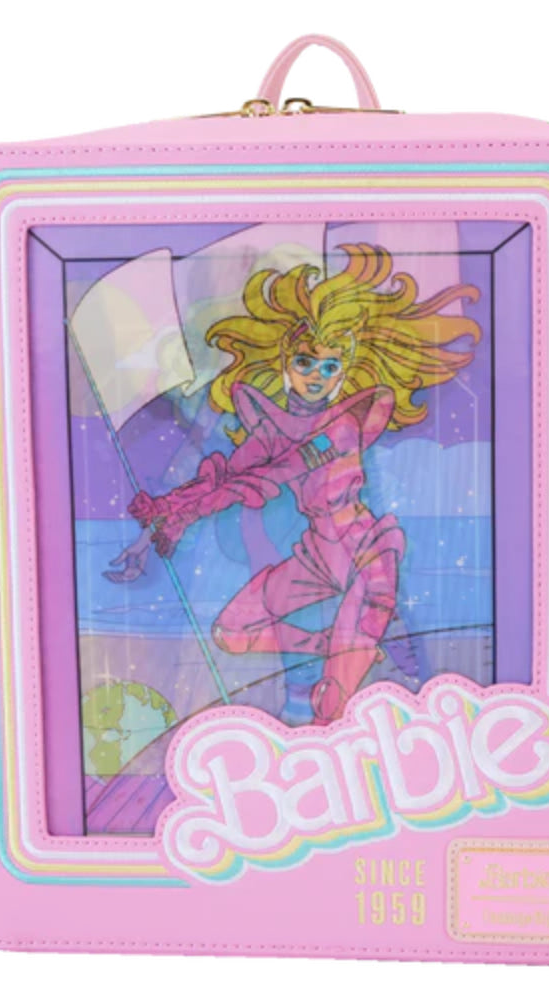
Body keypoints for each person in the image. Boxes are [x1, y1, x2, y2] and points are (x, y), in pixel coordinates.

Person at [123, 243, 480, 723]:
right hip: (314, 558)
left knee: (331, 705)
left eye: (331, 367)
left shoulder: (342, 425)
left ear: (344, 374)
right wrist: (167, 517)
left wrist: (216, 495)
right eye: (306, 363)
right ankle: (347, 645)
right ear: (285, 363)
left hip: (363, 557)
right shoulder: (271, 429)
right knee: (232, 632)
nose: (316, 376)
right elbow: (230, 481)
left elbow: (283, 469)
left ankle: (368, 653)